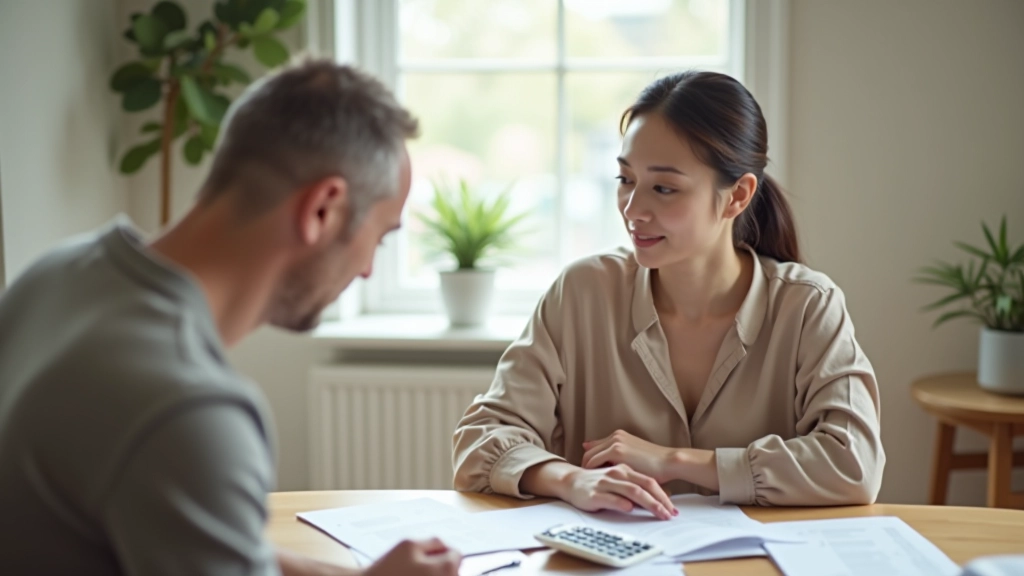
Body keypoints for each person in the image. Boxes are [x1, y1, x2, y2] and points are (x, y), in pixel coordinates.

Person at [0, 60, 460, 576]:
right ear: (322, 210)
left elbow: (214, 542)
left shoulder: (58, 272)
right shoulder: (187, 406)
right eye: (379, 236)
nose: (370, 269)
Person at [452, 71, 885, 519]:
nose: (633, 209)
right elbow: (481, 437)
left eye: (663, 188)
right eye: (625, 179)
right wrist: (572, 479)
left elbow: (854, 464)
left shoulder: (808, 306)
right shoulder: (581, 294)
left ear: (737, 195)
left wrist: (675, 460)